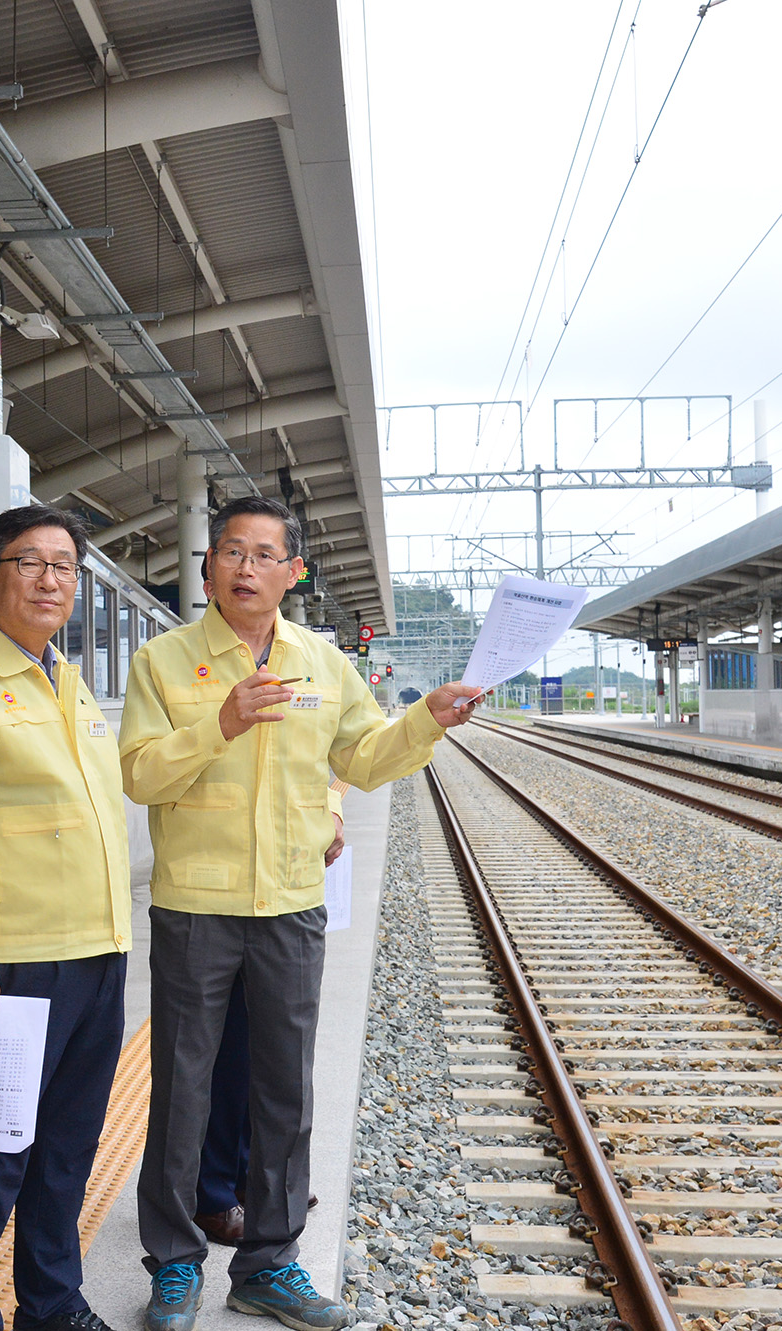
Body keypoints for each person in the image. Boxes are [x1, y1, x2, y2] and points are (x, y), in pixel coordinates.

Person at [120, 496, 481, 1331]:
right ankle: (174, 1263)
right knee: (181, 1088)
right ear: (207, 565)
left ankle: (269, 1264)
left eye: (264, 554)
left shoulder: (322, 662)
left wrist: (426, 721)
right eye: (231, 552)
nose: (246, 568)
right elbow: (140, 775)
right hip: (195, 907)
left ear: (294, 571)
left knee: (285, 1088)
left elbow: (363, 755)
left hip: (289, 906)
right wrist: (221, 722)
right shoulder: (164, 663)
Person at [0, 504, 133, 1331]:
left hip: (99, 951)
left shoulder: (67, 676)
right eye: (30, 563)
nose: (52, 580)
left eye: (64, 565)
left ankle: (53, 1303)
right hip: (18, 963)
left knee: (67, 1150)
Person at [193, 785, 345, 1247]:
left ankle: (243, 1176)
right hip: (214, 881)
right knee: (222, 1053)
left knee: (257, 1050)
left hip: (281, 881)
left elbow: (328, 755)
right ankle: (212, 1192)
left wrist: (331, 808)